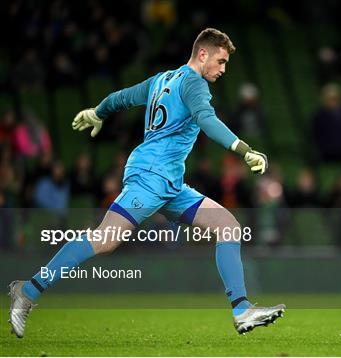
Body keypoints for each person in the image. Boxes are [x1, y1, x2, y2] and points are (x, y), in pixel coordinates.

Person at [9, 28, 284, 338]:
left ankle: (241, 310)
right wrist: (243, 150)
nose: (223, 69)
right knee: (105, 240)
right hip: (151, 177)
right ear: (203, 54)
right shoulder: (194, 83)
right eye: (220, 61)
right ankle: (28, 291)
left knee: (228, 226)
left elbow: (121, 98)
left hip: (169, 183)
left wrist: (97, 112)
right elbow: (207, 120)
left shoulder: (162, 80)